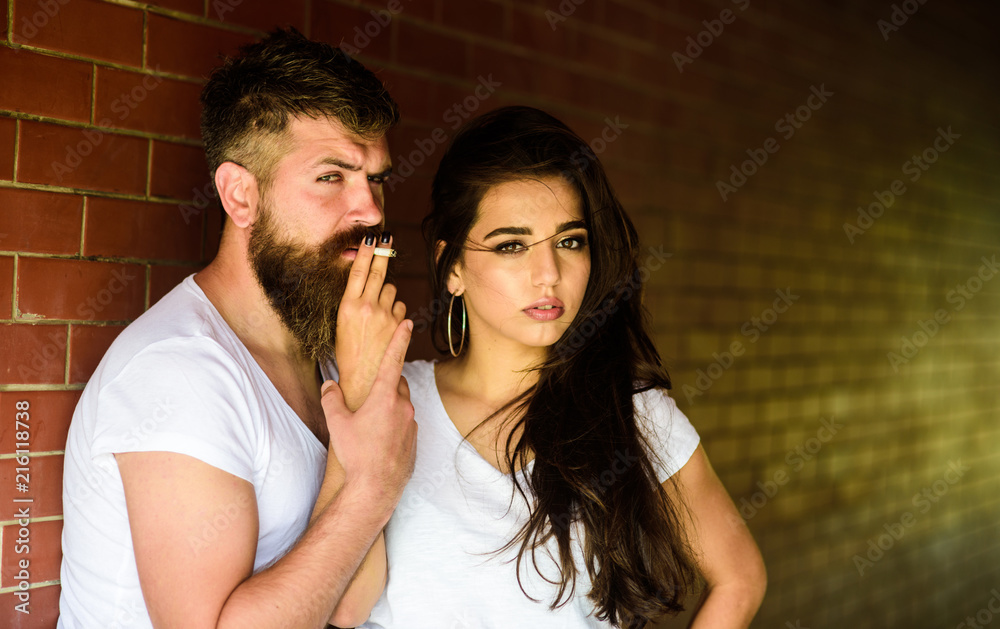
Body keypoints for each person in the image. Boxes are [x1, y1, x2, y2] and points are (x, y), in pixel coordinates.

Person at [59, 29, 414, 628]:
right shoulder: (178, 372)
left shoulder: (326, 351)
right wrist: (373, 483)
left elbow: (350, 603)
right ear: (240, 195)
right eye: (333, 176)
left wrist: (357, 387)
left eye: (375, 178)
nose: (371, 210)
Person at [361, 106, 767, 628]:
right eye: (512, 245)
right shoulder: (391, 401)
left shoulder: (630, 410)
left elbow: (740, 577)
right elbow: (346, 601)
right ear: (452, 266)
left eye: (569, 241)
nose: (547, 273)